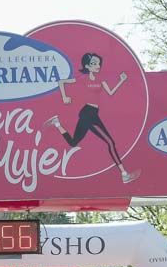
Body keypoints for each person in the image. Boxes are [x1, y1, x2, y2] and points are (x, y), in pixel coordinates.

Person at [45, 52, 140, 183]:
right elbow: (62, 82)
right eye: (94, 64)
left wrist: (121, 81)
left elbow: (111, 92)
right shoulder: (83, 78)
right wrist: (64, 97)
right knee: (110, 142)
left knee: (73, 143)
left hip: (92, 113)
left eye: (98, 63)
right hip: (88, 113)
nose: (97, 66)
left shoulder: (100, 79)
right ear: (87, 66)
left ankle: (57, 123)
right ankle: (124, 174)